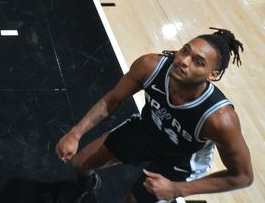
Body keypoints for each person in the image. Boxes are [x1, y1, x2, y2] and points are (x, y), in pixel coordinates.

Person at [55, 29, 253, 203]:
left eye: (198, 62)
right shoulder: (150, 66)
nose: (183, 61)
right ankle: (86, 186)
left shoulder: (220, 119)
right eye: (185, 50)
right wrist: (76, 133)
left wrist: (177, 189)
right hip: (146, 132)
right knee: (80, 163)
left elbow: (243, 177)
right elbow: (113, 100)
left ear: (213, 75)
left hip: (179, 161)